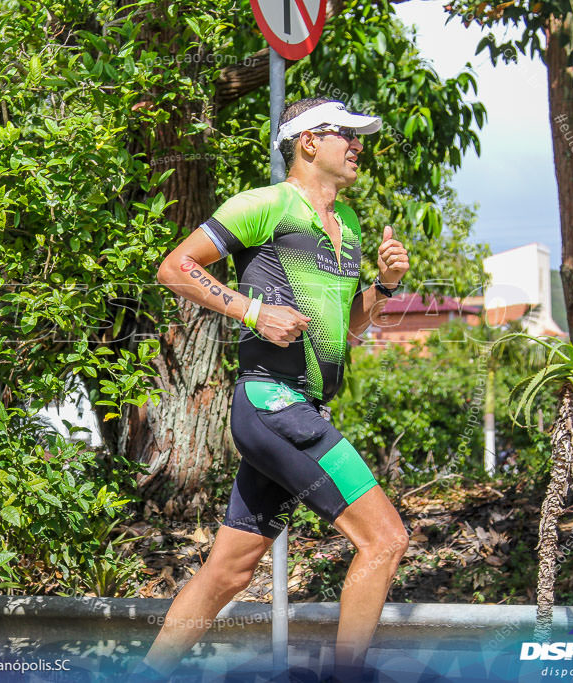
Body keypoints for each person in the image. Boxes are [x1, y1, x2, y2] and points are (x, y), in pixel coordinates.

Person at [142, 97, 411, 679]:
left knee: (230, 573)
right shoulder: (266, 204)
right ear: (309, 141)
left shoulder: (351, 227)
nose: (358, 144)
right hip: (272, 402)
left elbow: (347, 325)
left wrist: (386, 287)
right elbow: (175, 267)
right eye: (348, 134)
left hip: (298, 408)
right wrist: (251, 311)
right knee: (385, 541)